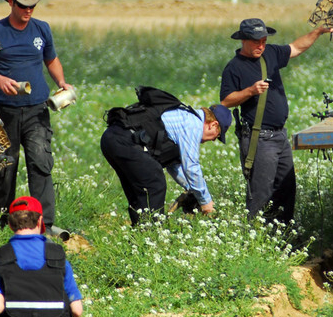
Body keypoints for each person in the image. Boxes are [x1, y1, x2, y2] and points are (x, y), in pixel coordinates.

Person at [0, 0, 73, 236]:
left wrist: (61, 82)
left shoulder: (42, 29)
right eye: (23, 5)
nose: (29, 10)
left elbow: (51, 59)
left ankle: (45, 224)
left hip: (37, 110)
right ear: (11, 3)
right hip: (2, 112)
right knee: (3, 167)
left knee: (41, 163)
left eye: (33, 5)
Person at [220, 18, 333, 223]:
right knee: (261, 192)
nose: (261, 45)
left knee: (286, 187)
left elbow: (296, 47)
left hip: (280, 136)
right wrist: (250, 91)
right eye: (256, 42)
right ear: (243, 40)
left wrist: (318, 32)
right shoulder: (233, 68)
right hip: (259, 139)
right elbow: (226, 101)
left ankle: (283, 234)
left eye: (263, 40)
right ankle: (256, 235)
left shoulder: (269, 53)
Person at [100, 90, 233, 225]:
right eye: (217, 136)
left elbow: (174, 165)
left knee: (141, 189)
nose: (213, 141)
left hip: (111, 138)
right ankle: (150, 234)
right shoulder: (193, 125)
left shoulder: (184, 116)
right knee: (154, 182)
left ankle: (141, 233)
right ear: (213, 125)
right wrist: (206, 202)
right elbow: (191, 167)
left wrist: (192, 190)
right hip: (125, 140)